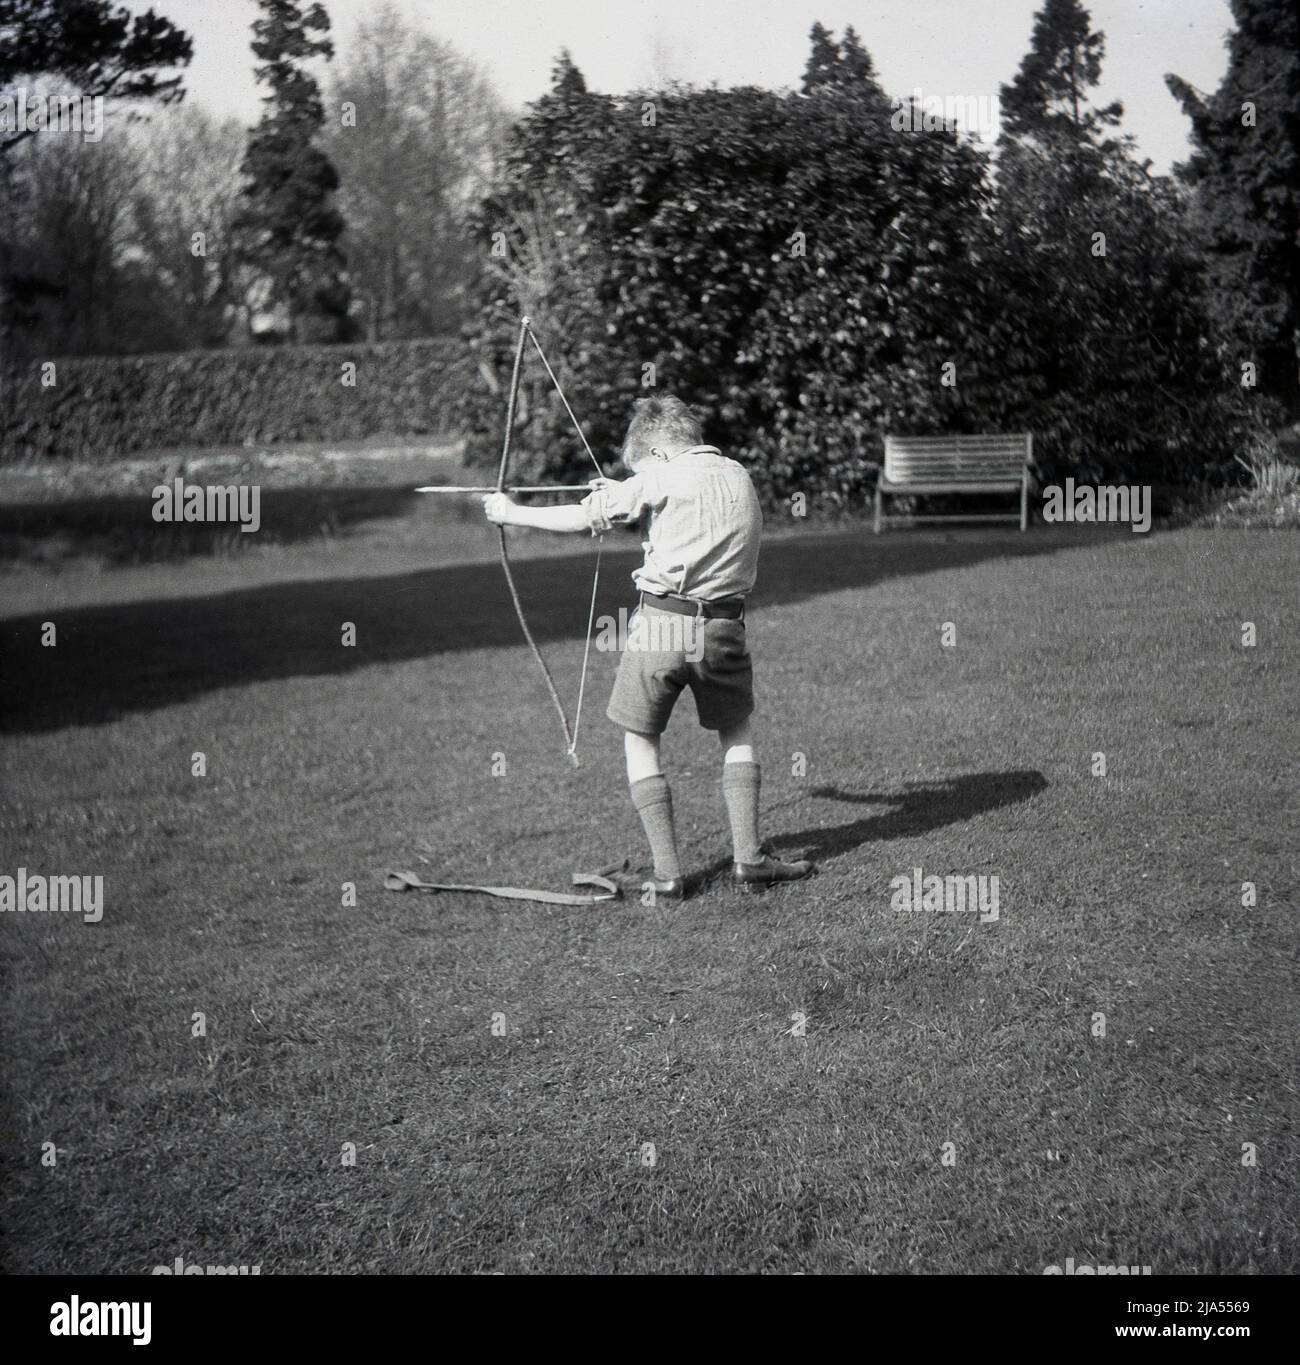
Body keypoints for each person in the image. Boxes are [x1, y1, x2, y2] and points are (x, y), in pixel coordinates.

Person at [483, 395, 814, 898]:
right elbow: (685, 502)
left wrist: (510, 512)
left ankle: (668, 875)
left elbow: (583, 516)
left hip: (664, 624)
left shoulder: (658, 478)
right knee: (735, 729)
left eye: (642, 466)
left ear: (657, 453)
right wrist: (629, 487)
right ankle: (750, 860)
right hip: (724, 627)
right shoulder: (737, 473)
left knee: (640, 737)